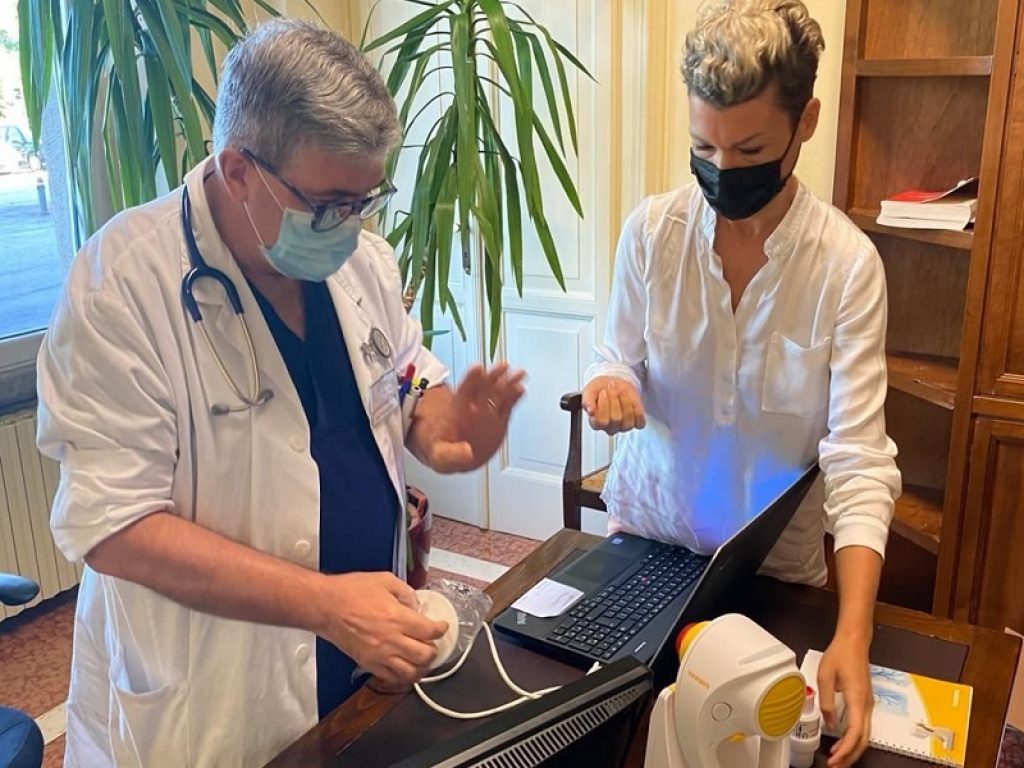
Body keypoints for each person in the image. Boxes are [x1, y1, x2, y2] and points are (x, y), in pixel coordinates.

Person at [36, 20, 525, 767]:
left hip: (359, 651)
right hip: (217, 691)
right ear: (238, 170)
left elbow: (402, 369)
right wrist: (324, 603)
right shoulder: (121, 286)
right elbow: (113, 526)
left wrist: (440, 424)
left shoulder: (362, 262)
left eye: (365, 199)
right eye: (329, 204)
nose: (350, 225)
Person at [582, 2, 901, 766]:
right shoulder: (651, 234)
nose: (723, 171)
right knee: (621, 745)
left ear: (806, 121)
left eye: (750, 148)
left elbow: (859, 459)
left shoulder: (846, 268)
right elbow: (614, 353)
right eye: (704, 147)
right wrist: (610, 382)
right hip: (647, 548)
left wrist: (853, 635)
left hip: (773, 578)